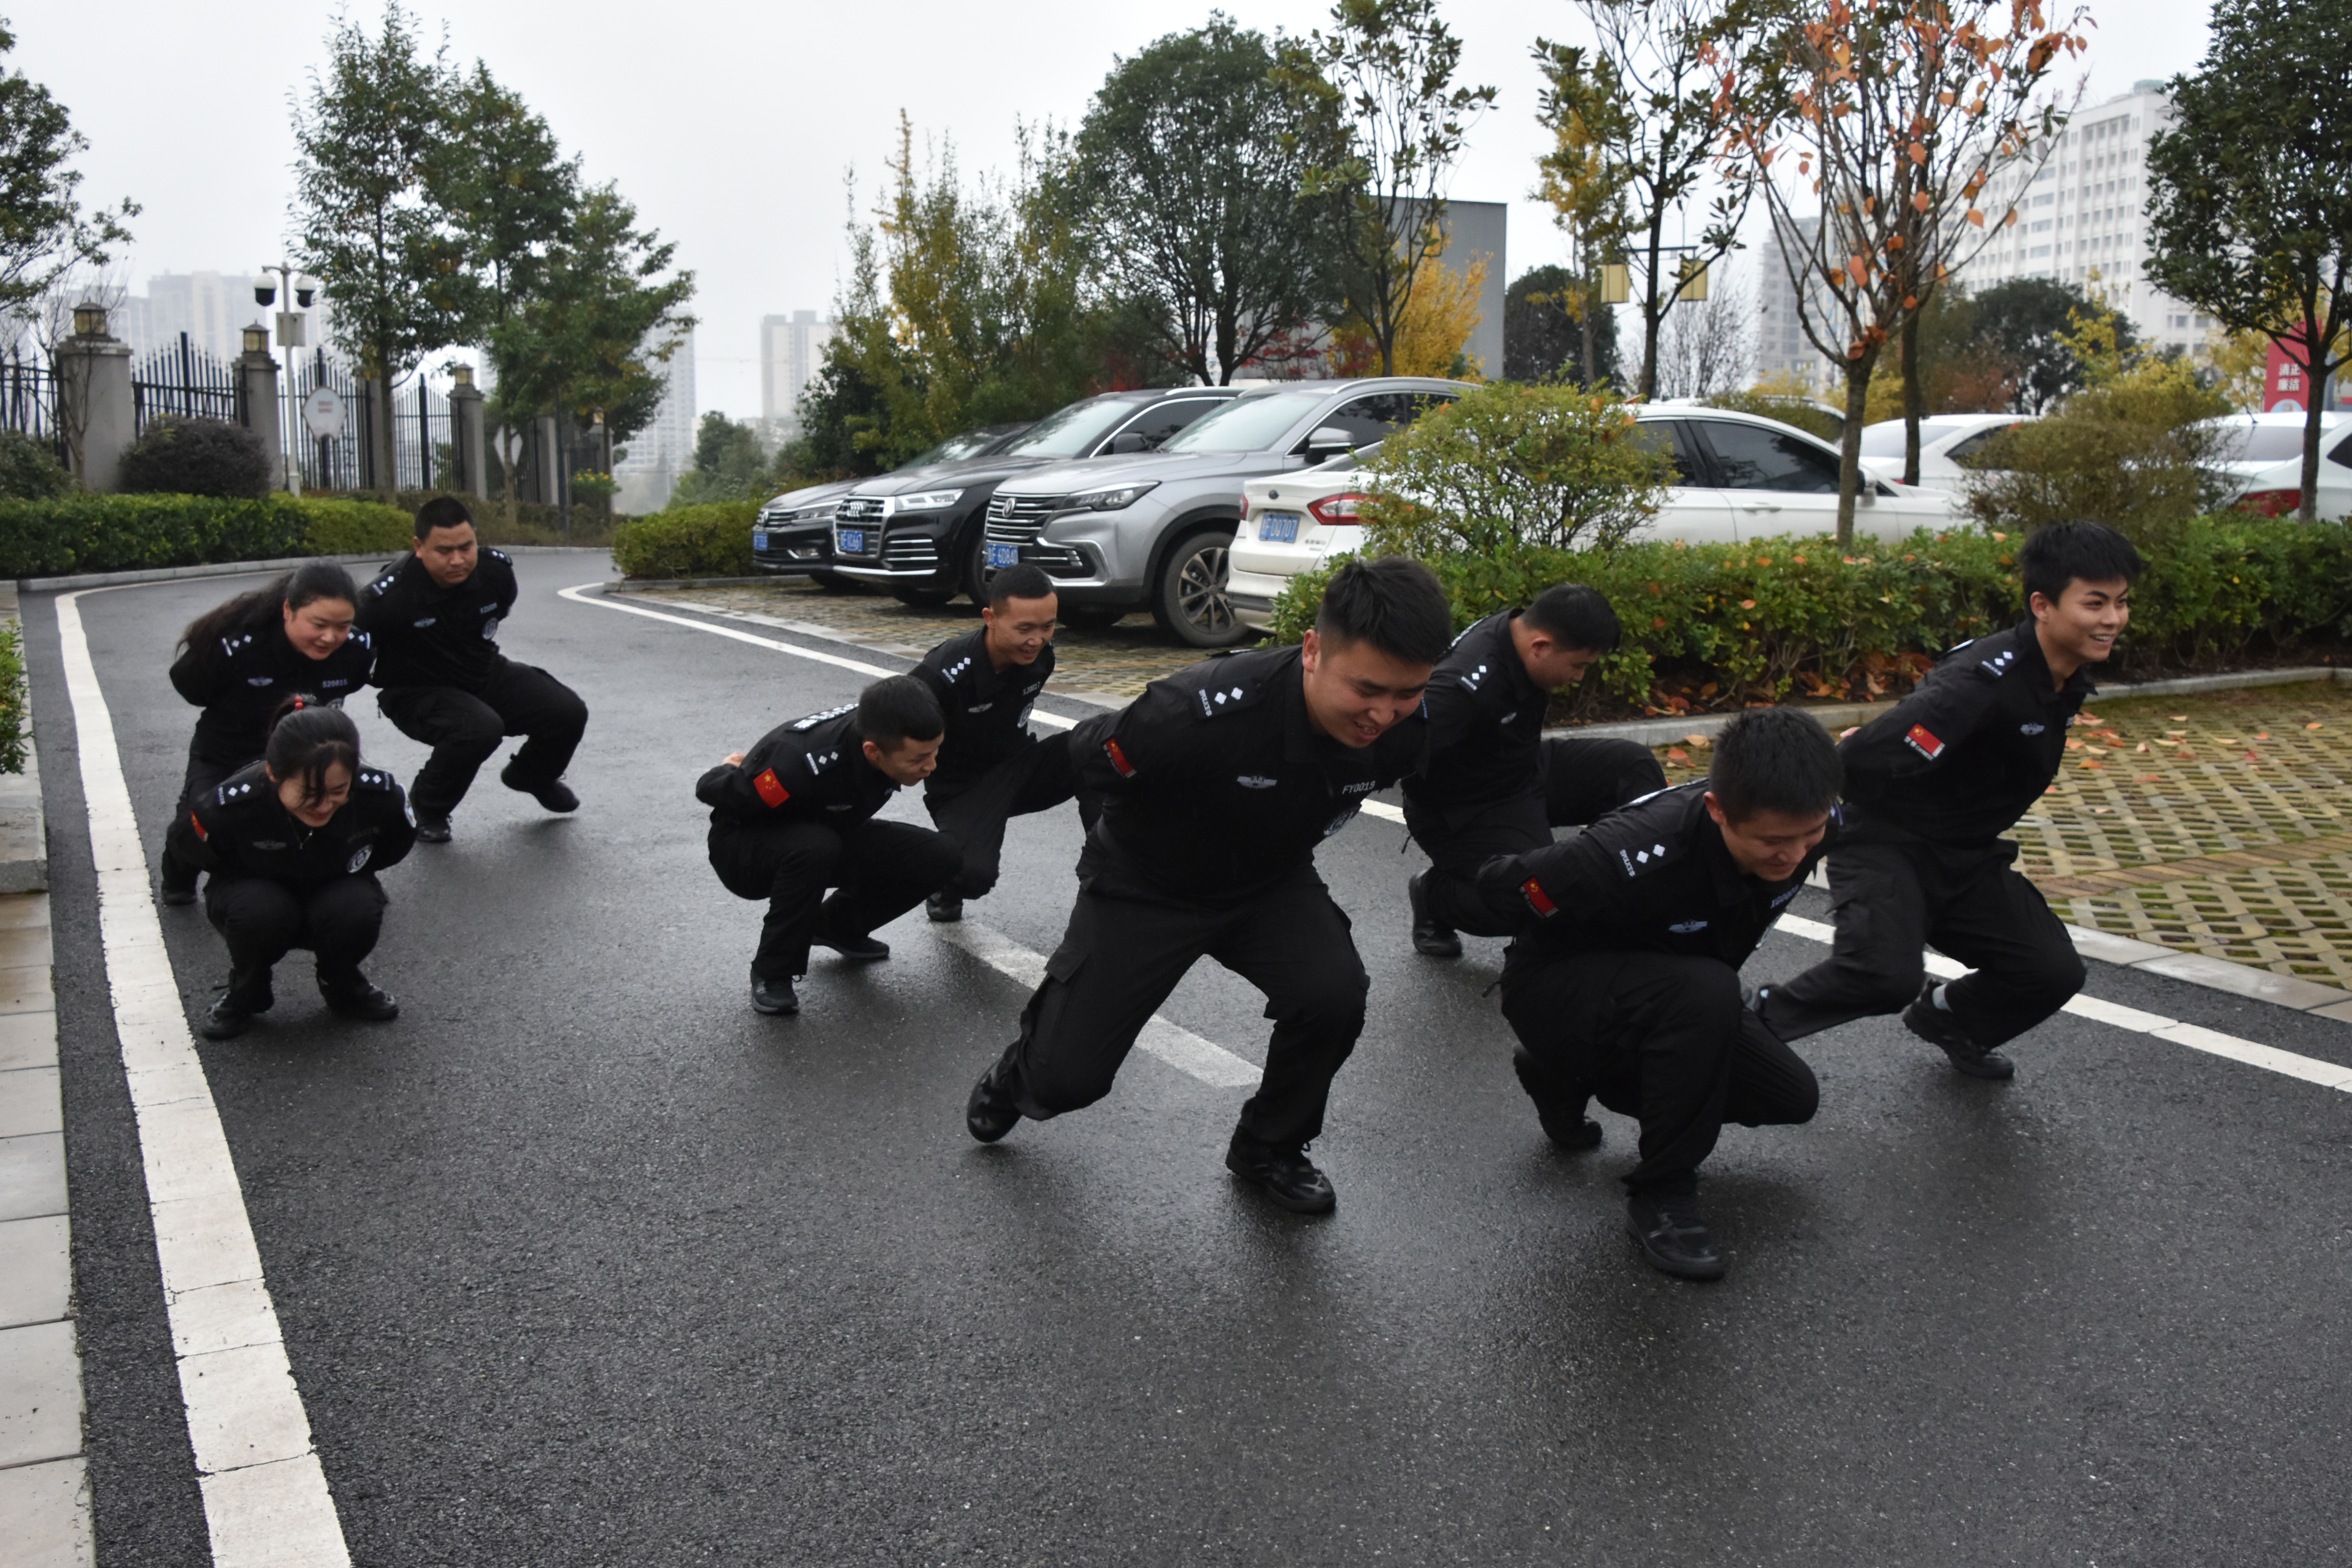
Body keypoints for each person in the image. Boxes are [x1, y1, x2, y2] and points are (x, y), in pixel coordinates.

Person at [962, 555, 1452, 1215]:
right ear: (1313, 651)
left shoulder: (1407, 728)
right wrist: (988, 830)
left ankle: (1269, 1146)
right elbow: (1084, 762)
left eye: (1406, 693)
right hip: (1146, 885)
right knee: (1066, 1081)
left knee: (1333, 994)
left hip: (1267, 883)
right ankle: (1020, 1071)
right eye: (1367, 689)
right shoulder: (1195, 712)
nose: (1383, 715)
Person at [1755, 520, 2142, 1079]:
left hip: (1966, 855)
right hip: (1887, 844)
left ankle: (1951, 1018)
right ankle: (1751, 1025)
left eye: (2121, 603)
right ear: (2043, 605)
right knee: (1884, 975)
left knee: (2052, 971)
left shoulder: (2062, 675)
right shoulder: (1979, 683)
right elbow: (1862, 756)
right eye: (2095, 603)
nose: (2112, 619)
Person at [1474, 708, 1838, 1281]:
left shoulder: (1819, 821)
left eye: (1809, 836)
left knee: (1790, 1096)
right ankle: (1662, 1195)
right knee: (1709, 992)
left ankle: (1565, 1076)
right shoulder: (1630, 851)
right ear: (1718, 810)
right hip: (1553, 988)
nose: (1794, 856)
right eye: (1773, 842)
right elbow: (1497, 885)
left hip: (1672, 996)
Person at [1402, 583, 1667, 957]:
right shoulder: (1463, 690)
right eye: (1579, 666)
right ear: (1540, 647)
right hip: (1467, 808)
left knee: (1632, 765)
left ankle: (1640, 889)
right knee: (1540, 897)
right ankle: (1436, 896)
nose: (1579, 678)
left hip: (1523, 768)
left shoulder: (1519, 630)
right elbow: (1399, 749)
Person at [697, 675, 963, 1017]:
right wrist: (726, 770)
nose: (932, 766)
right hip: (744, 850)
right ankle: (773, 972)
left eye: (935, 752)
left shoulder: (891, 728)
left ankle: (838, 928)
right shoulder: (797, 764)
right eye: (918, 760)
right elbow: (715, 790)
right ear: (873, 751)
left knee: (941, 854)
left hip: (826, 832)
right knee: (815, 847)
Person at [167, 698, 416, 1040]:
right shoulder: (230, 806)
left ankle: (342, 984)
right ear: (273, 773)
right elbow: (191, 849)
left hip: (335, 888)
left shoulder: (381, 796)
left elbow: (393, 845)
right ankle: (247, 992)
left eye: (338, 790)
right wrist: (180, 887)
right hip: (255, 894)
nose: (323, 805)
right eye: (309, 792)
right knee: (258, 912)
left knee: (358, 908)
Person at [356, 495, 589, 842]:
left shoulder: (496, 573)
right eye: (444, 551)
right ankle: (427, 808)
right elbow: (346, 652)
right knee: (479, 728)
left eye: (466, 547)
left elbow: (493, 621)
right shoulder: (386, 600)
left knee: (567, 712)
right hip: (415, 691)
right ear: (419, 547)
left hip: (481, 673)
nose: (458, 560)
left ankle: (531, 776)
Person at [159, 563, 376, 904]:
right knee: (197, 823)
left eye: (343, 626)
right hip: (229, 750)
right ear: (288, 610)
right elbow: (190, 685)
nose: (331, 638)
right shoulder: (238, 647)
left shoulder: (357, 649)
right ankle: (179, 879)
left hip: (306, 756)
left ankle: (346, 879)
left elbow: (357, 680)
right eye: (319, 625)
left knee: (341, 812)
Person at [909, 563, 1089, 924]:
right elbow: (889, 726)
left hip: (1019, 767)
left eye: (1048, 627)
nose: (1037, 640)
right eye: (1025, 629)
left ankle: (1110, 870)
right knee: (973, 875)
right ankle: (944, 878)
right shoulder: (943, 673)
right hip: (963, 788)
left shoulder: (1042, 657)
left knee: (1100, 747)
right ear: (990, 618)